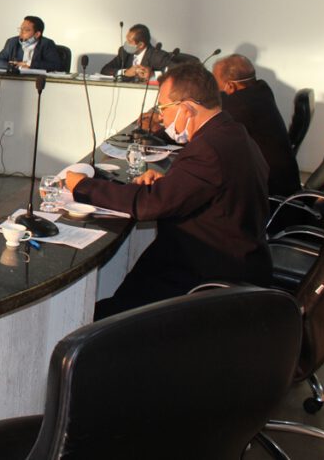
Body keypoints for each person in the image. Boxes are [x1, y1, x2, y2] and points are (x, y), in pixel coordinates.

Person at [64, 62, 272, 319]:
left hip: (206, 277)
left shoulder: (208, 149)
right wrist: (171, 182)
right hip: (232, 258)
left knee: (97, 318)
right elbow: (211, 190)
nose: (160, 117)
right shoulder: (232, 132)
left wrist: (82, 186)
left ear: (187, 108)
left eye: (163, 108)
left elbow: (147, 205)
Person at [213, 54, 301, 198]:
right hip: (282, 180)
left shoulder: (240, 106)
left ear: (230, 86)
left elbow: (213, 130)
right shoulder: (262, 89)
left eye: (216, 84)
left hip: (269, 191)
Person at [0, 15, 65, 71]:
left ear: (37, 34)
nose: (21, 32)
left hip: (35, 81)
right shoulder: (12, 42)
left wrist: (29, 63)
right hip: (16, 80)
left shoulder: (46, 44)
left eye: (26, 30)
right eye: (21, 29)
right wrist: (16, 66)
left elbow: (56, 65)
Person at [100, 24, 171, 80]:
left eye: (130, 42)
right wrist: (125, 72)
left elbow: (175, 72)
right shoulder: (124, 52)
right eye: (126, 40)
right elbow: (105, 70)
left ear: (141, 45)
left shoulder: (158, 56)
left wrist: (153, 74)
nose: (126, 44)